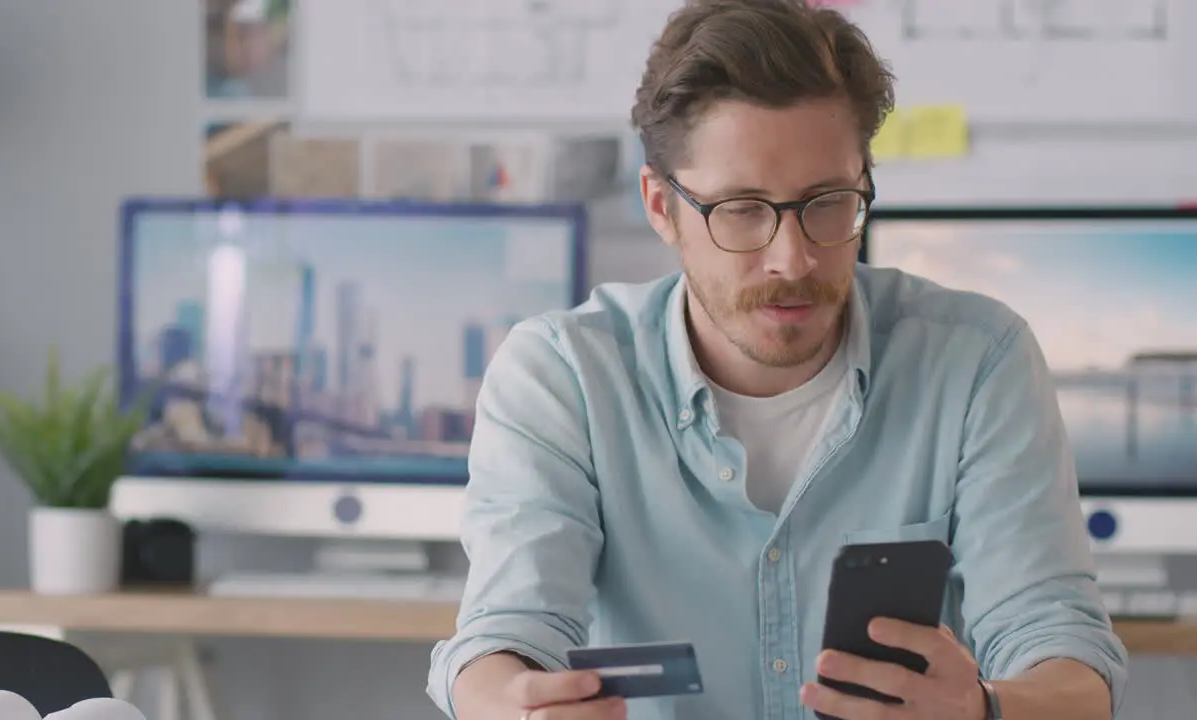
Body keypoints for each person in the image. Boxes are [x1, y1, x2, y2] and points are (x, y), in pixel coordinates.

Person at [426, 1, 1128, 718]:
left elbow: (1067, 658)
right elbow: (503, 639)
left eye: (827, 203)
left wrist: (984, 711)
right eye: (741, 208)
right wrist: (513, 706)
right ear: (661, 207)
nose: (792, 258)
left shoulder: (977, 361)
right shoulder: (563, 377)